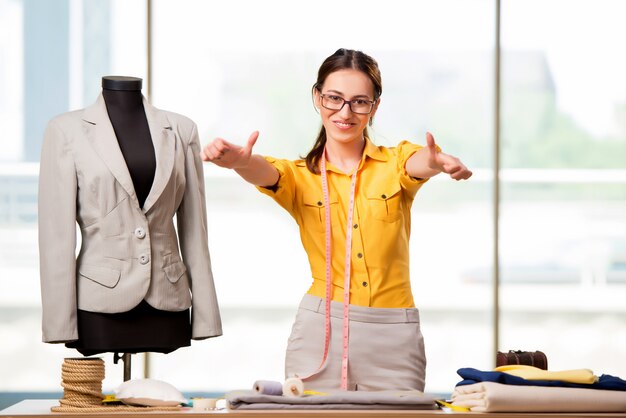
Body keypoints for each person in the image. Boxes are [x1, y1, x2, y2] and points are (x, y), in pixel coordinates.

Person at [201, 48, 472, 391]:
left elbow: (419, 162)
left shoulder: (394, 163)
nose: (345, 112)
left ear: (374, 106)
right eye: (334, 98)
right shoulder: (300, 176)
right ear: (317, 97)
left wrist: (438, 162)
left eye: (359, 101)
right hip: (320, 332)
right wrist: (239, 162)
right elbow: (264, 171)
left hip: (392, 334)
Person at [39, 76, 222, 359]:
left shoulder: (181, 130)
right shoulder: (66, 131)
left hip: (166, 299)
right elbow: (56, 237)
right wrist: (59, 322)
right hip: (99, 305)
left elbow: (195, 230)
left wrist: (206, 316)